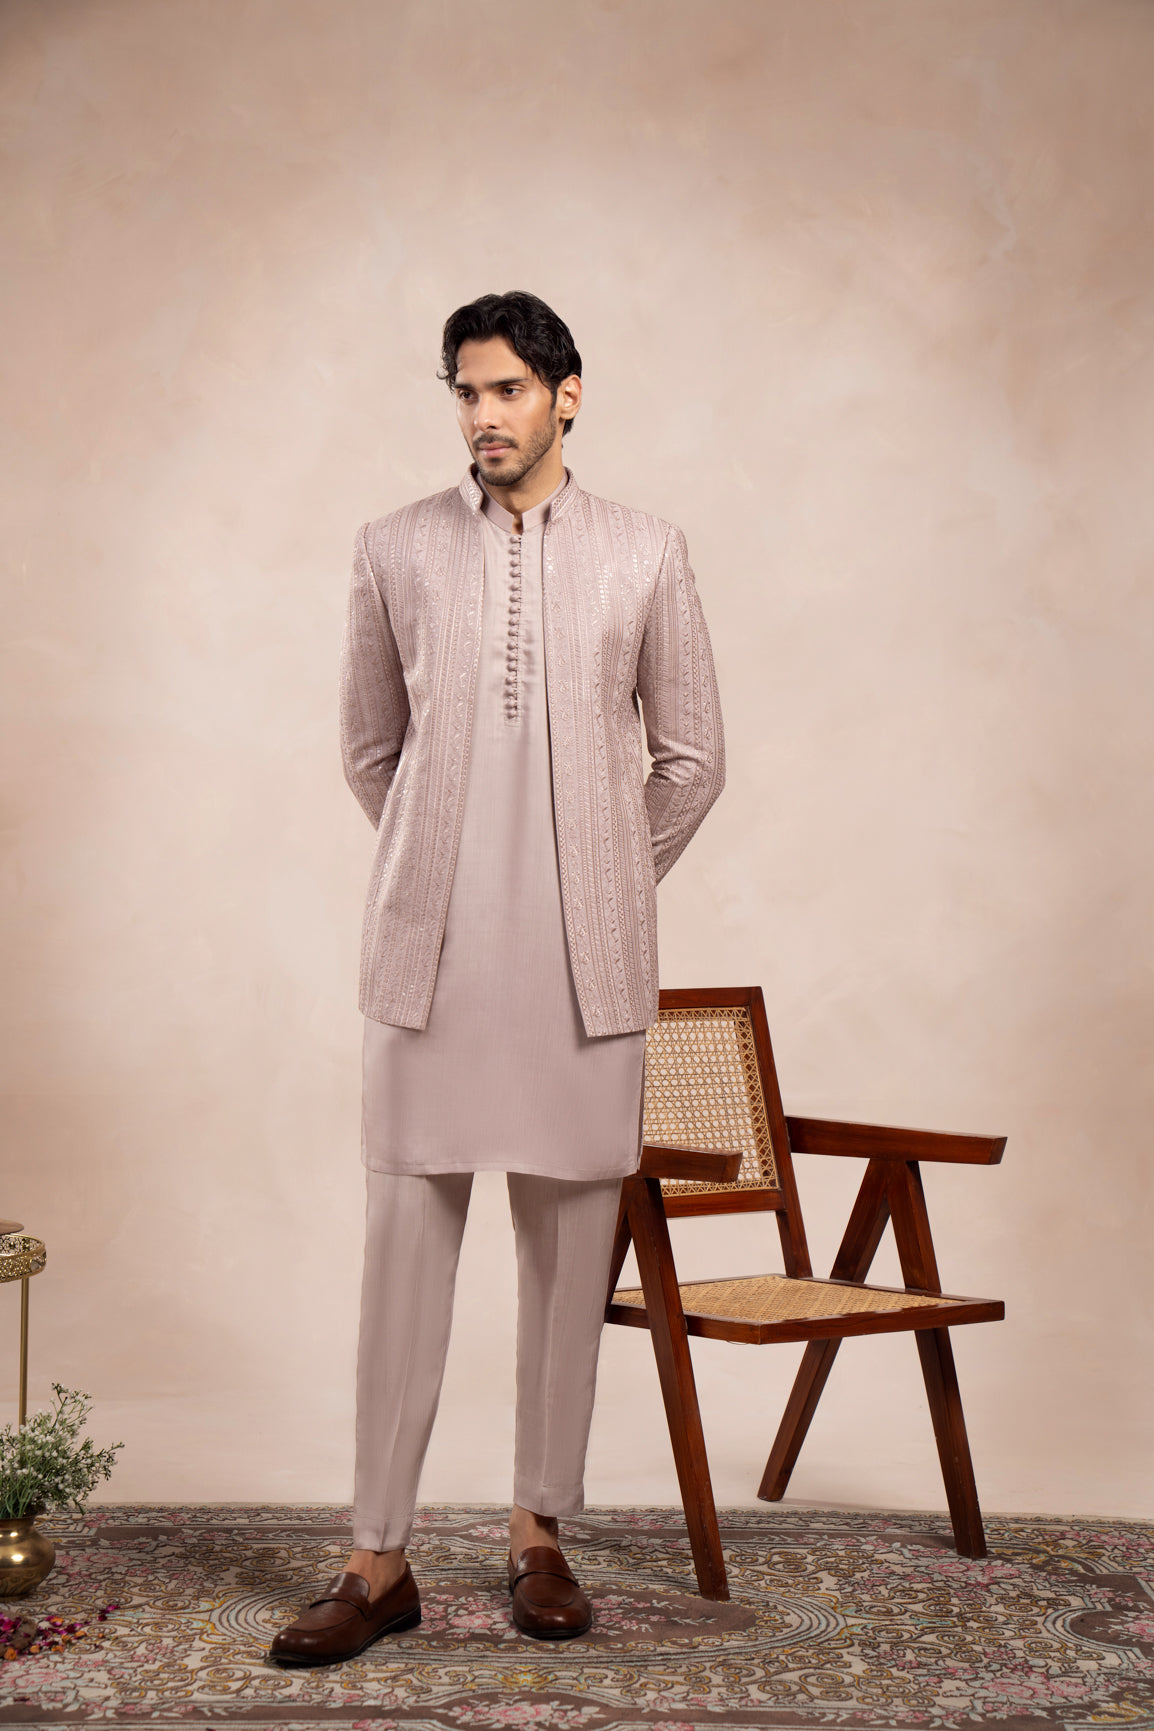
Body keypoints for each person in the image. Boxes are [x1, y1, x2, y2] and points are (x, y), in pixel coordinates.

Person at [270, 291, 724, 1666]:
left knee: (566, 1256)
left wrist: (599, 882)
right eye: (465, 392)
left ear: (566, 395)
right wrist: (442, 869)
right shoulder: (394, 547)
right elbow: (369, 749)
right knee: (404, 1253)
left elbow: (692, 759)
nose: (482, 415)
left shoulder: (646, 551)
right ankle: (377, 1558)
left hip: (586, 974)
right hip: (431, 963)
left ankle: (539, 1535)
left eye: (508, 390)